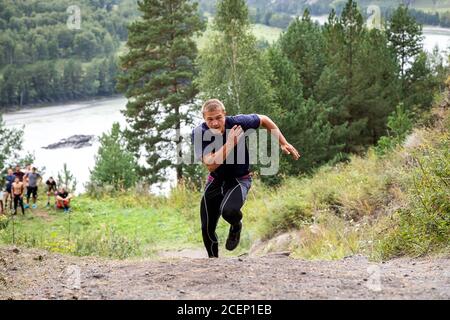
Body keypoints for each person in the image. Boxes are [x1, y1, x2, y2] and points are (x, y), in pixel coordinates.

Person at [191, 99, 300, 258]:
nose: (215, 123)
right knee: (207, 226)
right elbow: (210, 165)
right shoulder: (199, 133)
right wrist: (230, 143)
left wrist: (283, 142)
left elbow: (264, 119)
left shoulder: (237, 123)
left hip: (239, 179)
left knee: (229, 211)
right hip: (215, 180)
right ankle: (213, 261)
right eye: (210, 119)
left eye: (218, 117)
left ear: (224, 114)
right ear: (204, 118)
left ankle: (236, 226)